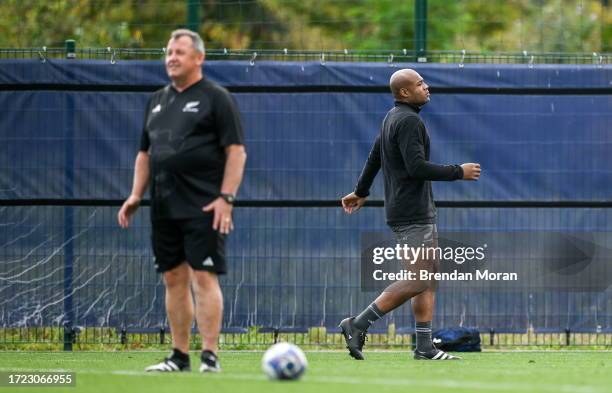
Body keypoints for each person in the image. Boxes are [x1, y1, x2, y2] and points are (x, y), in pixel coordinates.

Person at [117, 29, 246, 372]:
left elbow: (236, 152)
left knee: (203, 276)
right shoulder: (157, 99)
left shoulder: (217, 98)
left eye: (179, 52)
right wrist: (135, 195)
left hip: (204, 206)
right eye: (169, 51)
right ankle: (179, 357)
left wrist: (226, 198)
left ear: (198, 58)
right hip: (163, 206)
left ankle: (210, 356)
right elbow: (145, 154)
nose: (171, 57)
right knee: (173, 278)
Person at [339, 69, 480, 361]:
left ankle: (425, 347)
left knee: (427, 279)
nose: (426, 87)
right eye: (419, 84)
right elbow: (416, 168)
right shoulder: (408, 121)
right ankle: (358, 323)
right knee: (418, 279)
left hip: (410, 210)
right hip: (411, 212)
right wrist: (459, 172)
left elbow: (375, 155)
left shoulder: (392, 117)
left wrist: (361, 191)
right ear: (404, 92)